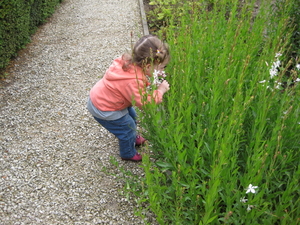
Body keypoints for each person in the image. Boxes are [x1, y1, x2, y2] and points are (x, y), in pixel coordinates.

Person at [87, 34, 170, 162]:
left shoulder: (128, 62)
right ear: (148, 66)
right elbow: (146, 103)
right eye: (161, 67)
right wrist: (160, 90)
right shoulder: (133, 81)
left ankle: (133, 136)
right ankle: (127, 153)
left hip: (101, 97)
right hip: (105, 108)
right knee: (126, 128)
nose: (162, 70)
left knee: (133, 116)